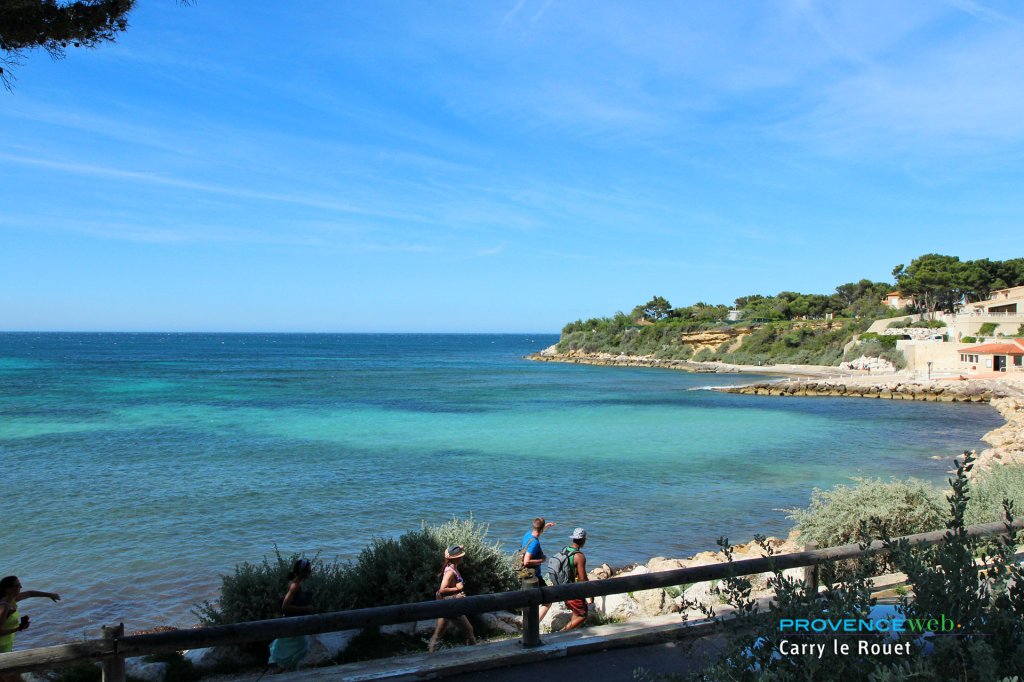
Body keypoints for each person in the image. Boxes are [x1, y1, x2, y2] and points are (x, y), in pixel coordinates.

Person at [0, 576, 60, 682]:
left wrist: (50, 595)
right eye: (17, 586)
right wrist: (18, 628)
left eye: (20, 585)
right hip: (1, 647)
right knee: (14, 678)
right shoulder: (4, 606)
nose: (20, 587)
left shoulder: (12, 600)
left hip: (7, 645)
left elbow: (29, 593)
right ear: (8, 589)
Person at [267, 559, 315, 673]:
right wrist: (306, 608)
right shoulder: (295, 586)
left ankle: (289, 671)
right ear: (301, 572)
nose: (310, 573)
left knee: (293, 648)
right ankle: (282, 670)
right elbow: (285, 606)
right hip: (292, 622)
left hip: (294, 621)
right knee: (301, 647)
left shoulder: (296, 584)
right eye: (308, 571)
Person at [428, 545, 477, 653]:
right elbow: (442, 589)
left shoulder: (452, 566)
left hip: (446, 605)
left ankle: (431, 654)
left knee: (438, 634)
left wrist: (459, 547)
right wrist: (457, 589)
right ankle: (474, 654)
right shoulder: (450, 572)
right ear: (455, 558)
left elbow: (451, 550)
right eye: (460, 556)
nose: (462, 557)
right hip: (451, 605)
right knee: (469, 631)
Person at [520, 517, 556, 621]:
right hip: (534, 577)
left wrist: (546, 526)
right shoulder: (535, 543)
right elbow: (526, 561)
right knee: (548, 600)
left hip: (524, 574)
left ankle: (528, 621)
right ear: (541, 528)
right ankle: (534, 623)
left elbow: (538, 531)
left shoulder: (528, 534)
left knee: (531, 600)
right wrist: (542, 560)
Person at [560, 528, 593, 632]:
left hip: (561, 587)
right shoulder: (579, 556)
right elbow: (583, 579)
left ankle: (570, 635)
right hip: (572, 589)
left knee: (576, 612)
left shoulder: (565, 549)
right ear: (583, 540)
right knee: (582, 614)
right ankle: (562, 633)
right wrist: (591, 594)